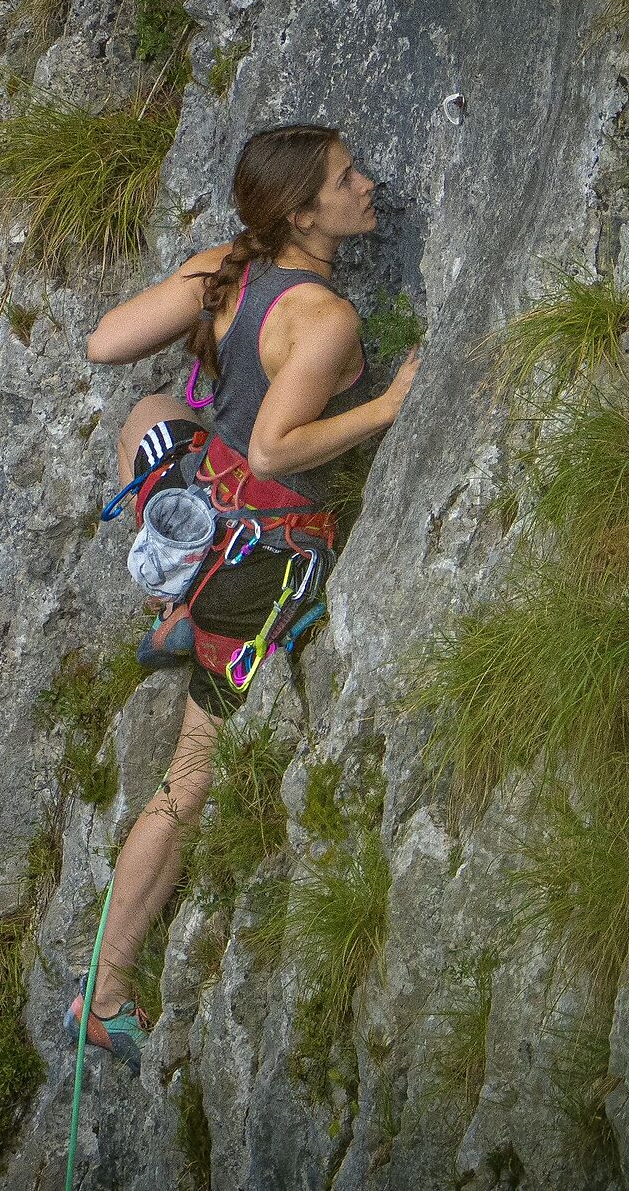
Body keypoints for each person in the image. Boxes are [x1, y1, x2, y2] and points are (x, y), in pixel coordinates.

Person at [65, 123, 419, 1074]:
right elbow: (272, 451)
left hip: (193, 499)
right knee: (190, 774)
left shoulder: (224, 270)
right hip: (260, 552)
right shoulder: (325, 319)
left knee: (152, 411)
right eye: (350, 178)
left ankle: (176, 599)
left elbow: (106, 344)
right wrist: (383, 409)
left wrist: (200, 295)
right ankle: (104, 991)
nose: (370, 185)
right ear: (304, 213)